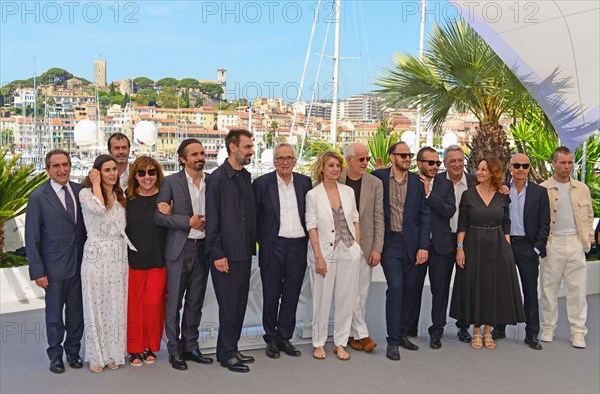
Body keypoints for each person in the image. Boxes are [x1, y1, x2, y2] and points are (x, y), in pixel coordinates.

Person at [449, 156, 525, 350]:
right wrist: (460, 249)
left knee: (493, 288)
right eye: (479, 169)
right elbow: (462, 224)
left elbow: (506, 222)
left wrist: (506, 245)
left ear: (493, 173)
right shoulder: (468, 195)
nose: (480, 172)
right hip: (473, 245)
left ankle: (488, 331)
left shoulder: (502, 195)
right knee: (476, 286)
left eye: (484, 169)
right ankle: (476, 331)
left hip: (498, 247)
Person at [25, 150, 87, 374]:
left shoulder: (81, 192)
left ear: (71, 166)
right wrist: (38, 271)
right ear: (47, 170)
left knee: (76, 313)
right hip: (52, 269)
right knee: (53, 315)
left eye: (65, 164)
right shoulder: (38, 197)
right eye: (56, 166)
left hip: (80, 266)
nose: (62, 169)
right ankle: (55, 355)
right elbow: (31, 238)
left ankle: (73, 352)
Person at [155, 139, 213, 370]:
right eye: (194, 154)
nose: (200, 157)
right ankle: (174, 350)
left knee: (195, 302)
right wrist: (186, 221)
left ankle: (191, 346)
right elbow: (158, 217)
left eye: (202, 153)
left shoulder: (212, 181)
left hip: (204, 250)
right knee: (174, 303)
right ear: (182, 159)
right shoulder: (170, 183)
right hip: (179, 250)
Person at [253, 143, 312, 359]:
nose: (284, 162)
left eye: (288, 158)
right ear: (274, 161)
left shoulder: (305, 182)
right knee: (271, 294)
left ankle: (284, 337)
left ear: (295, 160)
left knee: (291, 294)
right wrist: (265, 242)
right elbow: (255, 218)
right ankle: (270, 338)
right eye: (280, 158)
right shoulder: (261, 184)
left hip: (298, 245)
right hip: (273, 246)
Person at [372, 142, 430, 360]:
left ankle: (403, 334)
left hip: (413, 244)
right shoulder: (378, 177)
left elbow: (425, 216)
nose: (407, 158)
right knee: (396, 287)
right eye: (403, 155)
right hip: (389, 243)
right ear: (392, 157)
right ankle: (393, 341)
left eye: (409, 155)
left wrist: (424, 246)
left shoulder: (417, 182)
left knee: (410, 290)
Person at [206, 129, 257, 373]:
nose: (251, 150)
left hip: (244, 252)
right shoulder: (216, 179)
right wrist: (217, 254)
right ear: (233, 147)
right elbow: (212, 220)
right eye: (247, 146)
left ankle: (230, 348)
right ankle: (227, 355)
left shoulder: (246, 177)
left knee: (238, 304)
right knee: (228, 306)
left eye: (251, 146)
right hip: (224, 254)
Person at [80, 154, 134, 372]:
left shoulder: (120, 195)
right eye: (107, 170)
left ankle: (114, 352)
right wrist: (95, 184)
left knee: (116, 306)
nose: (113, 173)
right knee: (95, 305)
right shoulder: (85, 193)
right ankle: (95, 355)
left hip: (118, 254)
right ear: (97, 172)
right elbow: (99, 209)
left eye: (114, 169)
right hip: (96, 254)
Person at [306, 151, 361, 361]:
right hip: (324, 252)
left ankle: (340, 342)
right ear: (322, 168)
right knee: (322, 299)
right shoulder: (313, 195)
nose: (335, 169)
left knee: (346, 299)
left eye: (338, 166)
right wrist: (319, 257)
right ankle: (318, 343)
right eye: (330, 165)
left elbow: (355, 219)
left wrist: (356, 246)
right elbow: (311, 227)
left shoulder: (348, 192)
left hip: (348, 251)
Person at [491, 153, 550, 350]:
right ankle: (499, 328)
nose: (521, 169)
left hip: (527, 246)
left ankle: (532, 334)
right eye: (517, 165)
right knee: (501, 288)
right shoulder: (501, 190)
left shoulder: (539, 192)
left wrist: (536, 248)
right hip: (505, 244)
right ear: (510, 167)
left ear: (529, 168)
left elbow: (544, 223)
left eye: (525, 166)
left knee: (530, 292)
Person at [539, 146, 594, 349]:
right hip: (552, 243)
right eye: (562, 162)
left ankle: (578, 332)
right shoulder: (543, 188)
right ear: (553, 163)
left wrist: (586, 240)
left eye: (570, 162)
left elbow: (588, 216)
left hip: (575, 242)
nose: (567, 166)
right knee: (548, 288)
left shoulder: (582, 188)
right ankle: (548, 327)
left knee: (577, 290)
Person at [125, 156, 171, 366]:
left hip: (158, 260)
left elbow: (177, 224)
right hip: (132, 262)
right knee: (134, 307)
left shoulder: (166, 199)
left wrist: (170, 214)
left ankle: (151, 346)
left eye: (151, 172)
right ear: (135, 175)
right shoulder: (126, 199)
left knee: (153, 305)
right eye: (142, 173)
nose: (147, 177)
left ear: (157, 174)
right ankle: (135, 349)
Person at [409, 146, 456, 349]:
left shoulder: (446, 185)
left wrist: (429, 194)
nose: (435, 166)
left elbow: (449, 211)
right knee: (412, 289)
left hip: (441, 247)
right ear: (419, 163)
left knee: (440, 291)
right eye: (431, 163)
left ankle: (437, 331)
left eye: (438, 163)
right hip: (416, 246)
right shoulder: (410, 182)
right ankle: (408, 327)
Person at [341, 143, 384, 353]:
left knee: (361, 293)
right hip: (339, 248)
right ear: (349, 160)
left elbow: (378, 217)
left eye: (367, 159)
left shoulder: (374, 183)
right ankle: (358, 334)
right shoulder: (334, 179)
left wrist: (377, 248)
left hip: (365, 247)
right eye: (361, 159)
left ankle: (354, 334)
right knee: (344, 293)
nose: (366, 163)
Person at [437, 145, 474, 343]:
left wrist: (503, 187)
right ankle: (437, 329)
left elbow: (495, 188)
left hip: (467, 241)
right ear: (445, 163)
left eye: (460, 160)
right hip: (443, 240)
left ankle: (463, 327)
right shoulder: (437, 181)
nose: (457, 164)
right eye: (452, 161)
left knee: (465, 286)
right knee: (441, 287)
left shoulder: (475, 181)